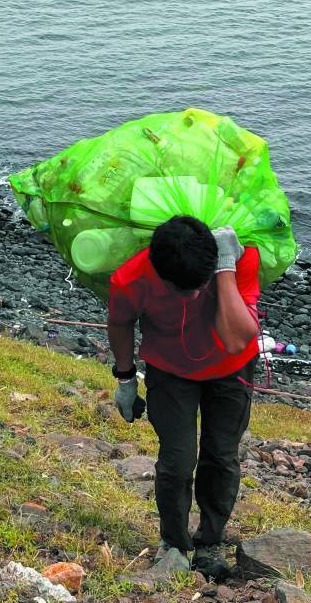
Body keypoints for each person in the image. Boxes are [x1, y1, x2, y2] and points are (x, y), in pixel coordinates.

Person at [108, 216, 260, 582]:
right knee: (177, 461)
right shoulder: (131, 278)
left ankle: (210, 541)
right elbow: (120, 322)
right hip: (169, 371)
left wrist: (223, 269)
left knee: (221, 456)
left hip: (231, 367)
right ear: (157, 270)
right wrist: (126, 378)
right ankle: (174, 544)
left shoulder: (240, 260)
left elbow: (238, 338)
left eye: (199, 286)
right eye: (182, 289)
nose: (192, 296)